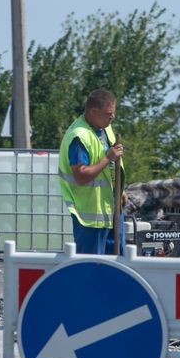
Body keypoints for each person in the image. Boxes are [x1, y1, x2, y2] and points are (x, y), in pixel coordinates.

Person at [58, 89, 126, 255]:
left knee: (119, 268)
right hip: (90, 219)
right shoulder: (79, 136)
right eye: (108, 114)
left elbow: (111, 168)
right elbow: (81, 176)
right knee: (92, 268)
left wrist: (120, 189)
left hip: (111, 211)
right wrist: (108, 158)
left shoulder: (105, 128)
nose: (113, 117)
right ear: (93, 112)